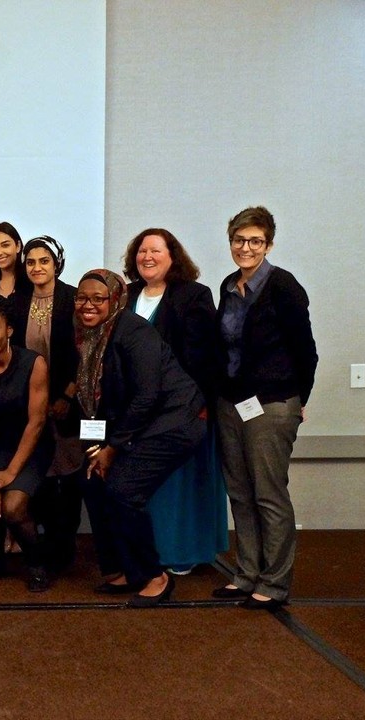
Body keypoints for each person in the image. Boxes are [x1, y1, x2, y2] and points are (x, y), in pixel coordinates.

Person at [74, 270, 206, 608]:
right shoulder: (90, 335)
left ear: (115, 300)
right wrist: (99, 448)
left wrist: (112, 448)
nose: (88, 305)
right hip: (138, 425)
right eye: (82, 297)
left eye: (97, 298)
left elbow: (146, 396)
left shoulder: (133, 332)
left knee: (123, 491)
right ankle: (119, 570)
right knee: (92, 481)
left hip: (175, 422)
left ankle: (154, 576)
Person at [212, 207, 317, 610]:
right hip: (232, 403)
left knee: (268, 494)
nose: (246, 247)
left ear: (269, 244)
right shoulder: (228, 286)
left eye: (255, 241)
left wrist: (298, 399)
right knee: (239, 491)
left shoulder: (283, 286)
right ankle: (246, 574)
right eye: (239, 240)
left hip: (273, 403)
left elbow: (306, 350)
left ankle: (273, 583)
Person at [122, 228, 228, 574]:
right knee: (145, 486)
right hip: (139, 410)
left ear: (173, 256)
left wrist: (196, 405)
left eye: (155, 251)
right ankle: (148, 552)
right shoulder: (126, 295)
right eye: (141, 251)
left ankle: (181, 553)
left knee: (178, 487)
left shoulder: (193, 295)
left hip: (182, 410)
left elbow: (204, 357)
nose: (147, 257)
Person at [0, 295, 54, 591]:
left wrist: (11, 473)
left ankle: (37, 562)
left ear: (9, 330)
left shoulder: (33, 363)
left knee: (13, 507)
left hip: (31, 446)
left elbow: (37, 423)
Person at [11, 236, 84, 575]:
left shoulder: (73, 298)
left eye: (44, 261)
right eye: (30, 262)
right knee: (38, 472)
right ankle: (43, 546)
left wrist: (67, 395)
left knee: (68, 476)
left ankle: (65, 546)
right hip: (30, 403)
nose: (37, 268)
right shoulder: (18, 301)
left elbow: (86, 352)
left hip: (69, 402)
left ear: (56, 264)